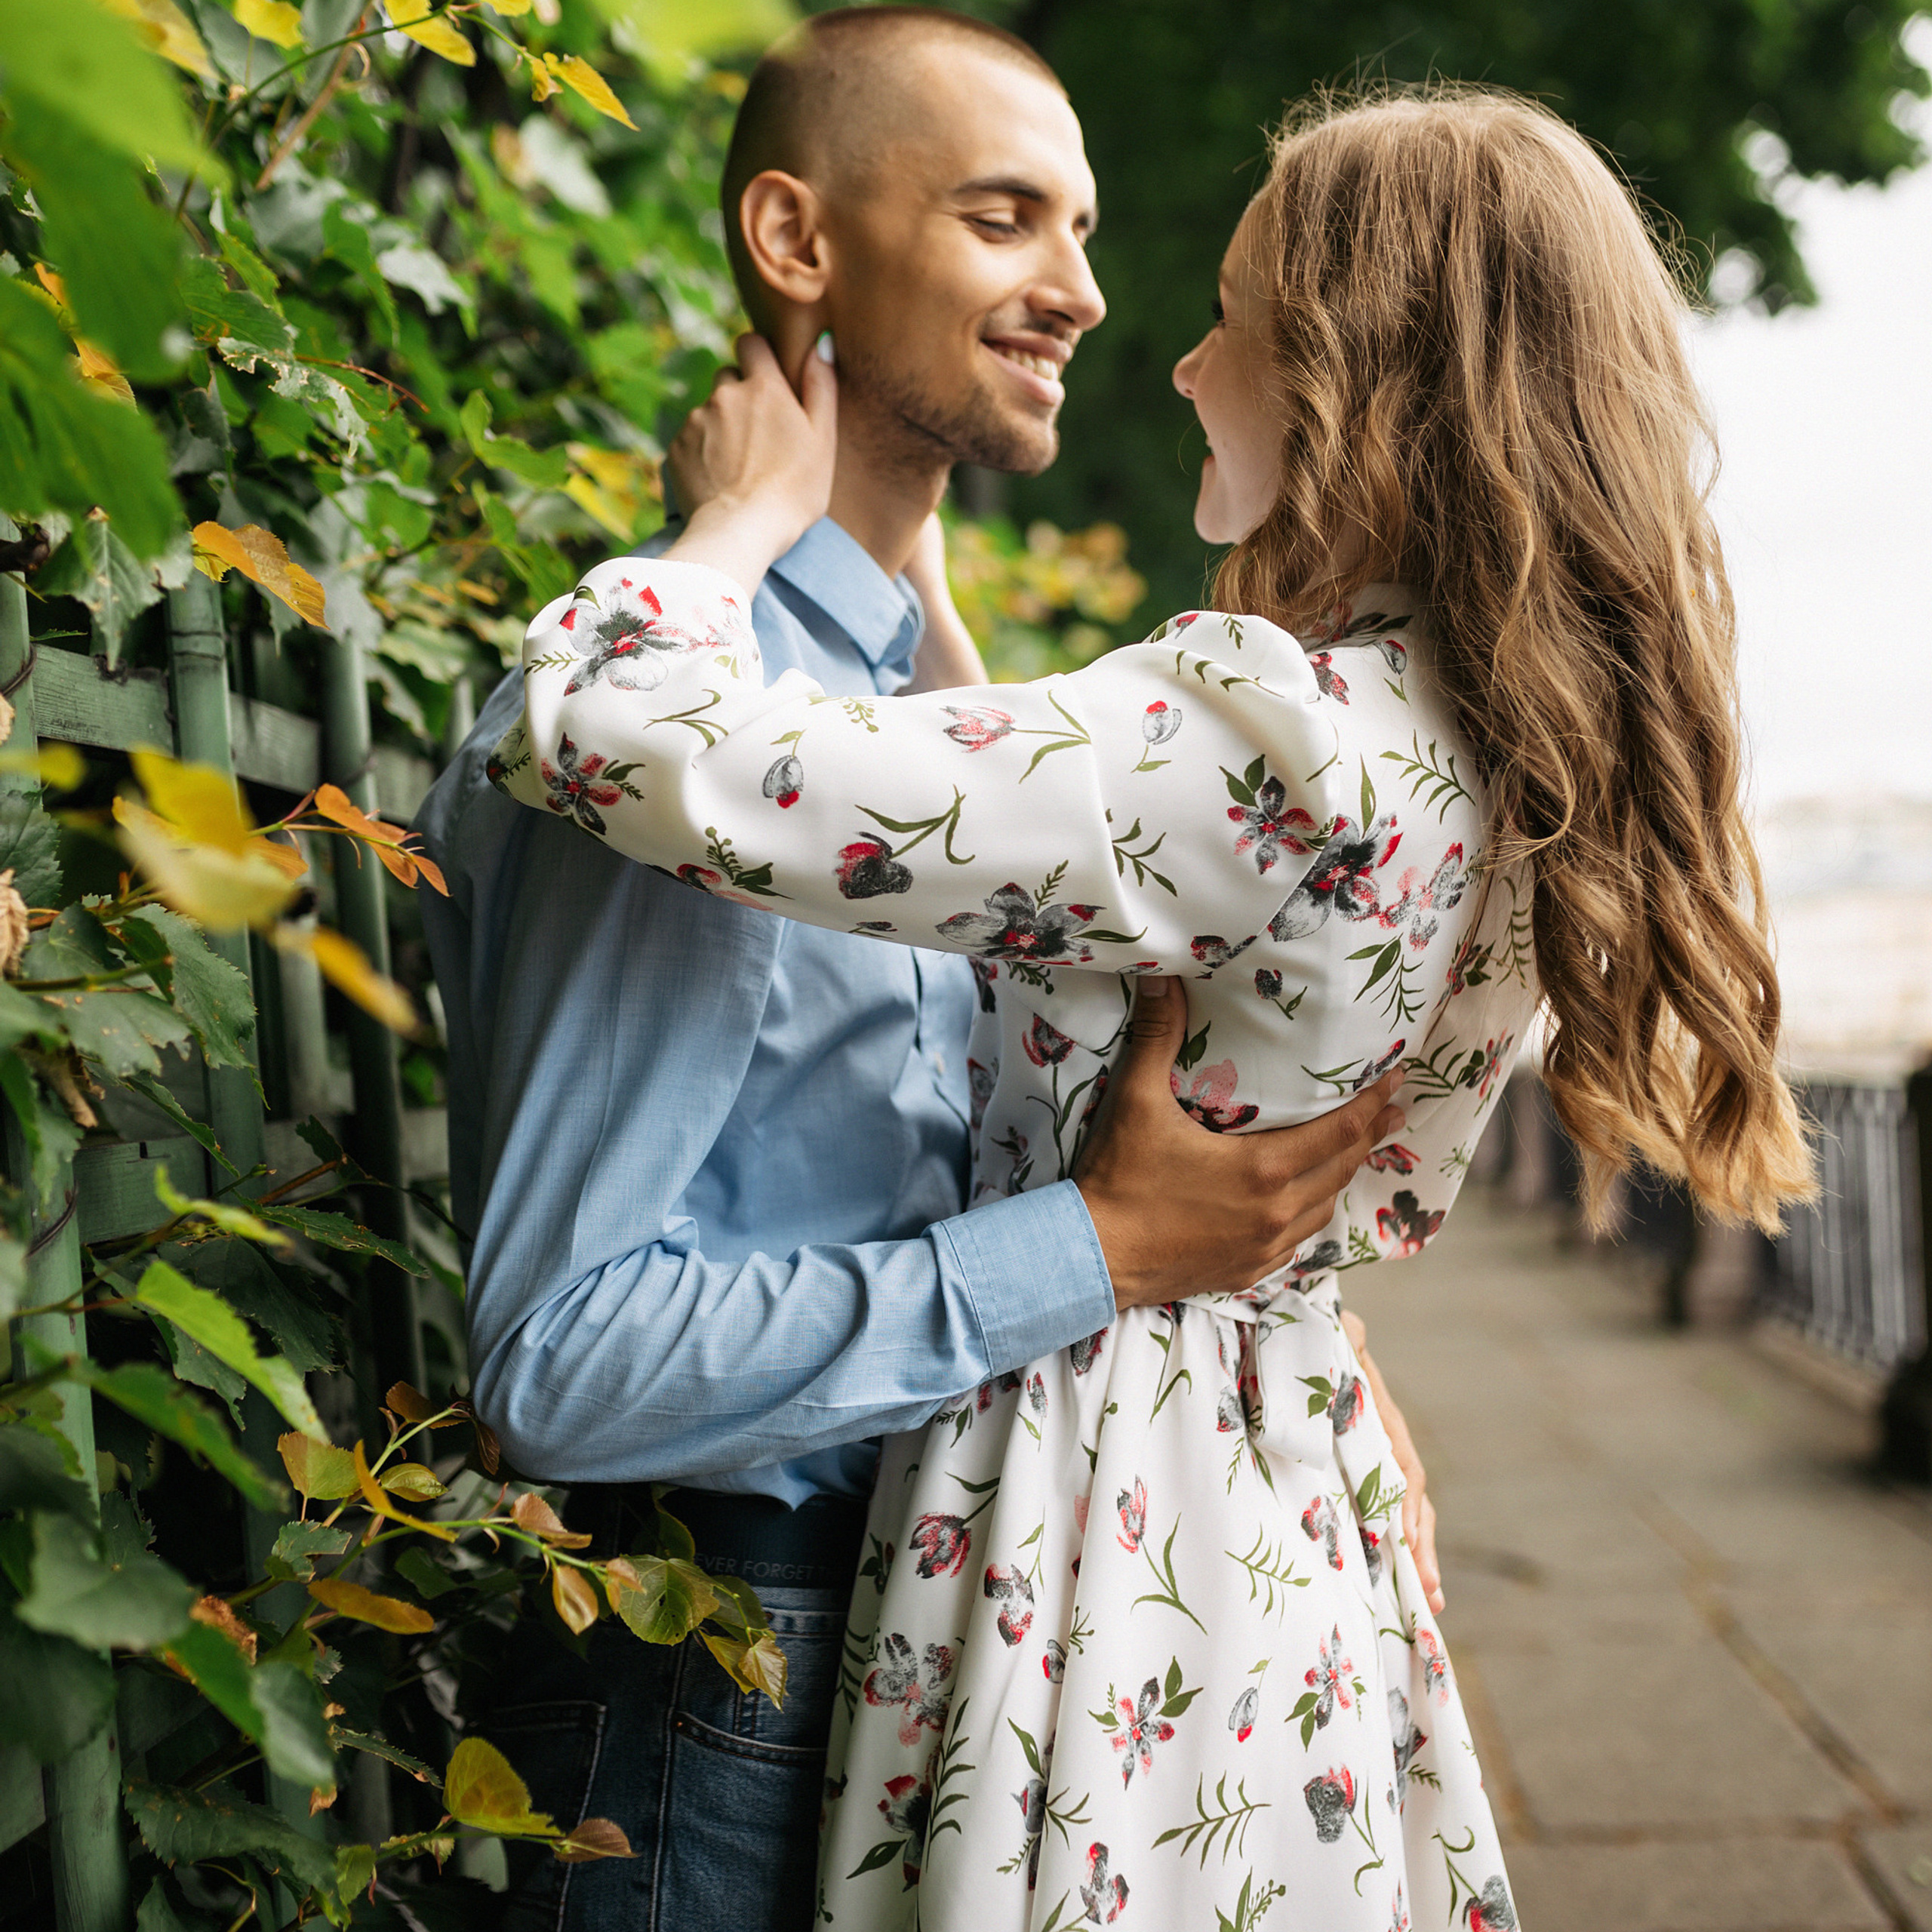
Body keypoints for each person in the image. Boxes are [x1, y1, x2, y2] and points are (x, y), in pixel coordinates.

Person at [490, 82, 1818, 1928]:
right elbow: (1091, 900)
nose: (1180, 362)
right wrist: (921, 599)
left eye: (1231, 318)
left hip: (1088, 1520)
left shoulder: (1274, 739)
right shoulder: (1484, 757)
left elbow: (609, 729)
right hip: (1271, 1503)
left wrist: (730, 527)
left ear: (1354, 376)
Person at [414, 13, 1435, 1928]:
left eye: (1081, 228)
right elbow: (561, 1361)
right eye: (999, 218)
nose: (1081, 292)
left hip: (932, 1649)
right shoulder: (677, 737)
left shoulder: (913, 738)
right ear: (794, 240)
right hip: (720, 1679)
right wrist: (1094, 1251)